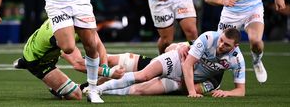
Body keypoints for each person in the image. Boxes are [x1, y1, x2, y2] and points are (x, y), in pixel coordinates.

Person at [94, 28, 245, 97]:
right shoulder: (209, 38)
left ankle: (100, 90)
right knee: (143, 76)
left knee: (139, 91)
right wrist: (192, 93)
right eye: (221, 41)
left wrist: (228, 93)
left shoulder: (236, 60)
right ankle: (97, 89)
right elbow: (187, 64)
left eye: (226, 45)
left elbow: (241, 90)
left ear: (235, 47)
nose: (220, 45)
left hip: (182, 81)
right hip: (177, 62)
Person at [13, 19, 126, 100]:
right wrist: (109, 72)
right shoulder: (60, 34)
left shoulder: (82, 19)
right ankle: (29, 66)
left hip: (49, 50)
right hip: (38, 61)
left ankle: (23, 62)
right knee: (76, 95)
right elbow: (78, 64)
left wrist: (105, 66)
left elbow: (98, 45)